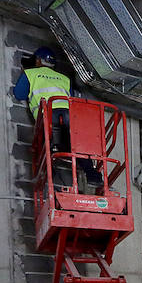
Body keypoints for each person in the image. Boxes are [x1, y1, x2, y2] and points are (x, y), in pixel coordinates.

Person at [12, 46, 100, 192]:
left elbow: (19, 94)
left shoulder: (31, 73)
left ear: (38, 60)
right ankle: (93, 175)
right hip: (70, 116)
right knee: (76, 145)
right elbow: (71, 98)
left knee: (44, 143)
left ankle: (45, 173)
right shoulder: (64, 79)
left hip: (48, 115)